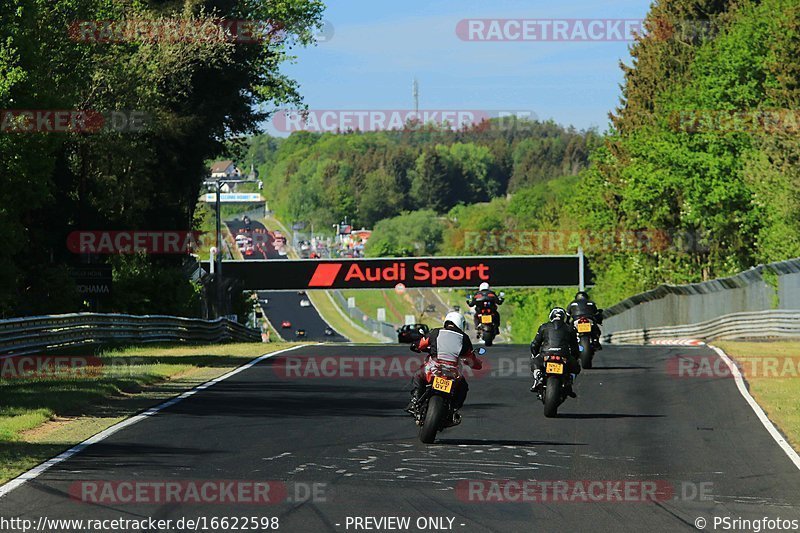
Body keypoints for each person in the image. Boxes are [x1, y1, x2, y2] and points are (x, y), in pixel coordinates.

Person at [405, 311, 483, 417]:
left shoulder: (436, 332)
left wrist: (415, 346)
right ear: (460, 324)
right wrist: (477, 364)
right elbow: (470, 358)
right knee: (463, 386)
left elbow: (421, 344)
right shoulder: (464, 338)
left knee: (419, 375)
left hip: (434, 368)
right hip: (453, 372)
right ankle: (454, 410)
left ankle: (415, 401)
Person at [530, 307, 581, 397]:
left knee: (535, 362)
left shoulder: (544, 326)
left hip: (546, 354)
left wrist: (535, 354)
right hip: (564, 355)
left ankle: (538, 377)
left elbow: (534, 344)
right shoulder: (570, 328)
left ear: (551, 316)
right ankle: (569, 382)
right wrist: (574, 358)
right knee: (576, 367)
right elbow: (575, 348)